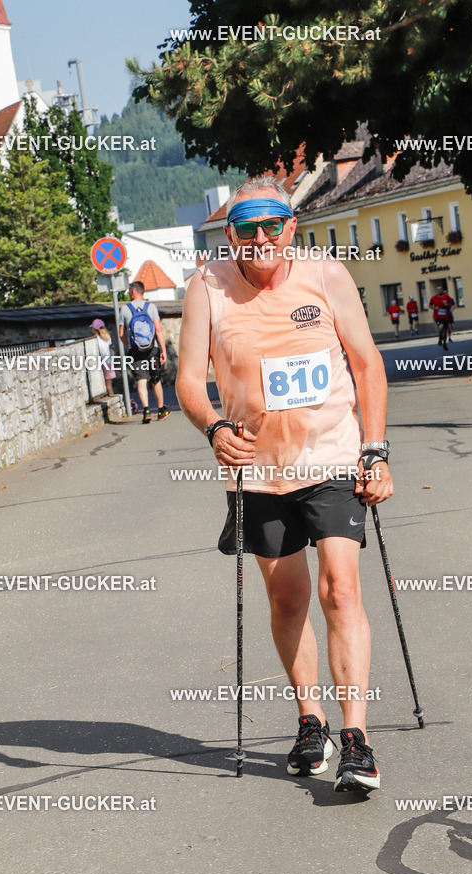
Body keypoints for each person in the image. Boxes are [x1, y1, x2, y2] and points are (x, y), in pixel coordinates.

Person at [176, 174, 394, 795]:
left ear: (290, 228)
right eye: (246, 228)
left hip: (332, 457)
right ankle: (310, 721)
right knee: (288, 600)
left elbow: (367, 363)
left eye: (273, 225)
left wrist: (375, 452)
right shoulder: (206, 289)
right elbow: (190, 379)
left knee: (339, 590)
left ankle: (356, 736)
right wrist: (213, 426)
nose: (261, 238)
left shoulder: (325, 276)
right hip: (257, 471)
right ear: (232, 235)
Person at [120, 280, 170, 423]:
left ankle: (146, 411)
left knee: (141, 379)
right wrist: (163, 350)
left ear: (134, 292)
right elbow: (158, 330)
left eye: (130, 291)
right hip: (151, 349)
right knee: (155, 380)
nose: (129, 293)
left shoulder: (125, 309)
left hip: (135, 350)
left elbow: (121, 333)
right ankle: (161, 411)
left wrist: (128, 346)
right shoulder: (151, 307)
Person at [90, 319, 115, 397]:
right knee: (109, 385)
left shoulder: (95, 339)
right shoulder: (107, 338)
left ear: (94, 329)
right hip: (108, 362)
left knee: (100, 385)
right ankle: (112, 397)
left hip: (100, 363)